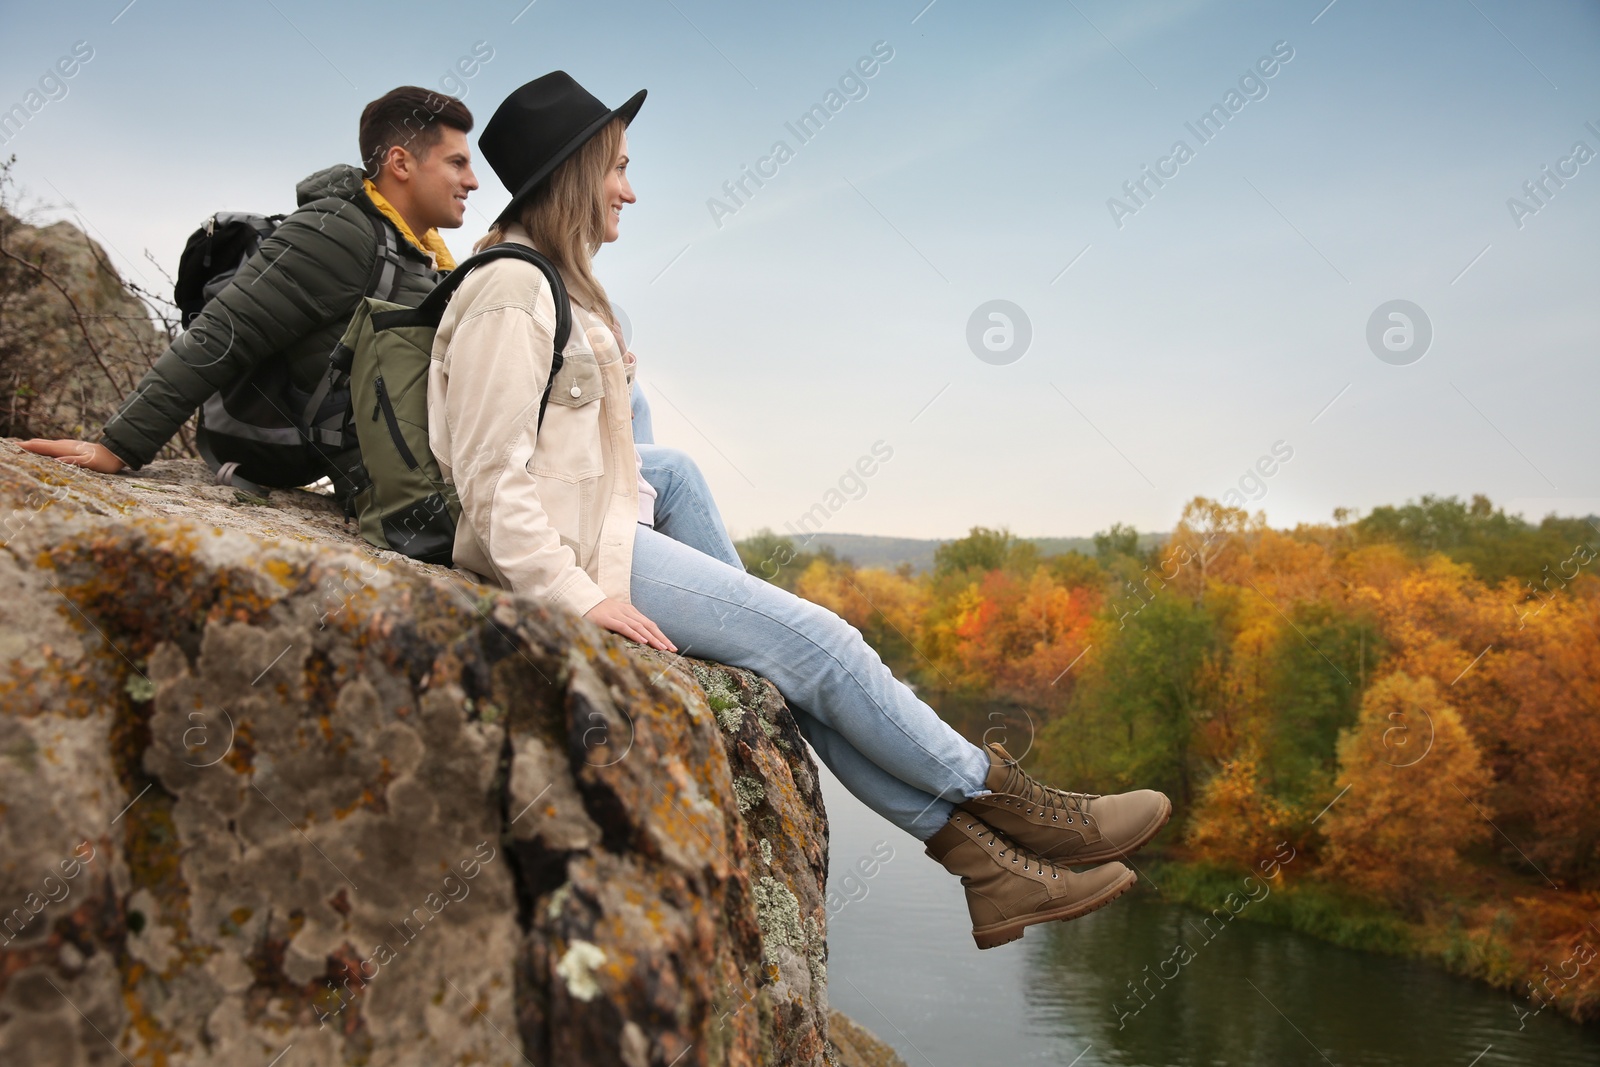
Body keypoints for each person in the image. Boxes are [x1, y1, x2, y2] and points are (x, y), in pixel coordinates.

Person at [430, 72, 1172, 949]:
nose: (630, 188)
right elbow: (486, 477)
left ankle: (990, 869)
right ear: (572, 176)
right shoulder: (510, 291)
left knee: (773, 626)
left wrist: (626, 398)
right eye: (618, 168)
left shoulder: (567, 290)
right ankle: (1008, 804)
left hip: (600, 529)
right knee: (828, 645)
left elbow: (599, 447)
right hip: (574, 556)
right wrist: (575, 592)